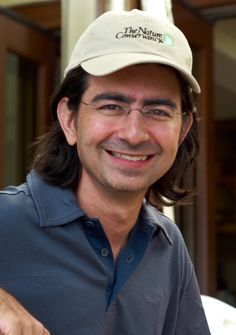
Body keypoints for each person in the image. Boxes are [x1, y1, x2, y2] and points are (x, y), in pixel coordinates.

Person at [0, 9, 211, 335]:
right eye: (111, 106)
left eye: (157, 111)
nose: (134, 133)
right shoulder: (6, 220)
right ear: (69, 120)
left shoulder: (168, 246)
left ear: (182, 130)